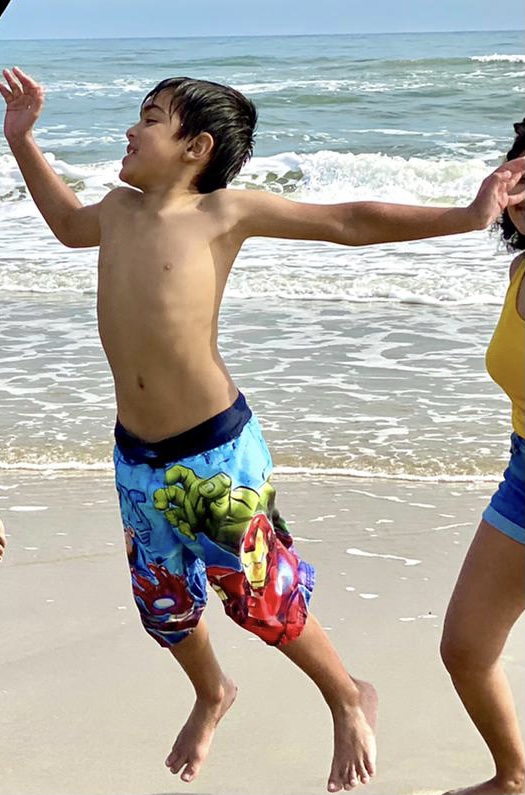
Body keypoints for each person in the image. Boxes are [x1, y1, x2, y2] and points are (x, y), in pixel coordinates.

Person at [1, 66, 523, 794]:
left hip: (214, 449)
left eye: (150, 118)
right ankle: (212, 691)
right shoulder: (116, 210)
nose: (130, 129)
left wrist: (465, 216)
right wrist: (21, 139)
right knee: (163, 602)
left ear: (196, 147)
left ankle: (347, 693)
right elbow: (64, 227)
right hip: (136, 454)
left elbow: (347, 221)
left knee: (260, 597)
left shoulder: (223, 212)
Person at [440, 121, 525, 795]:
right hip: (522, 476)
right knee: (466, 646)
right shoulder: (520, 270)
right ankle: (513, 776)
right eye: (519, 174)